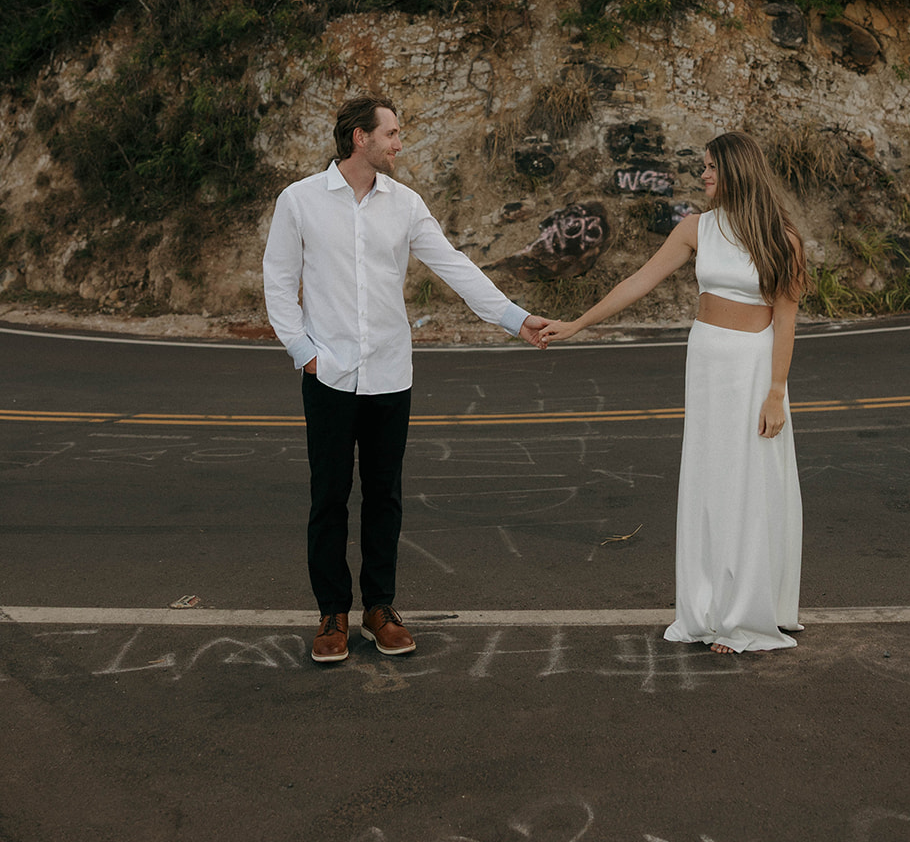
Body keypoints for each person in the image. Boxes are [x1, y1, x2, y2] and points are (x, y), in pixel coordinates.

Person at [263, 95, 548, 665]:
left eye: (398, 132)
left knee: (385, 496)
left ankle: (379, 609)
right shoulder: (299, 201)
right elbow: (278, 281)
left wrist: (516, 319)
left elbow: (455, 266)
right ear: (358, 139)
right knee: (329, 498)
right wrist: (305, 353)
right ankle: (332, 614)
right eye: (391, 133)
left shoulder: (406, 205)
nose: (399, 142)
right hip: (331, 377)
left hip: (391, 374)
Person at [539, 129, 807, 655]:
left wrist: (776, 391)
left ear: (737, 171)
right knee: (711, 482)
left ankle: (744, 617)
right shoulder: (696, 229)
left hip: (753, 367)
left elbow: (786, 319)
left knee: (746, 484)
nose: (703, 174)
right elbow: (638, 282)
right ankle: (708, 608)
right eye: (702, 166)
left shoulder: (783, 238)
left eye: (711, 166)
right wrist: (576, 324)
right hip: (706, 362)